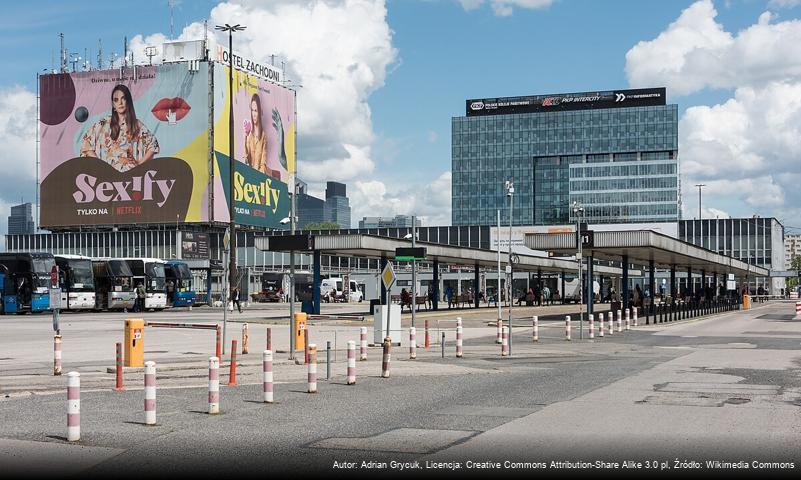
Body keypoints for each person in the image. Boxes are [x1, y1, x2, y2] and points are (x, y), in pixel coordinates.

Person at [80, 84, 159, 172]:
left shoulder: (136, 124)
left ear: (128, 101)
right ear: (113, 104)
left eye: (123, 98)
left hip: (130, 172)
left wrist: (139, 165)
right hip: (110, 173)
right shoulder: (105, 123)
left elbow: (153, 144)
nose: (120, 103)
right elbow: (86, 142)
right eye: (116, 100)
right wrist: (100, 164)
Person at [244, 93, 268, 174]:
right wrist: (246, 136)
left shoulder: (263, 136)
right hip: (248, 175)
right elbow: (246, 159)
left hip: (258, 179)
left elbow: (263, 163)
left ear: (260, 112)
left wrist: (257, 176)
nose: (254, 114)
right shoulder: (249, 134)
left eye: (256, 110)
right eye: (252, 110)